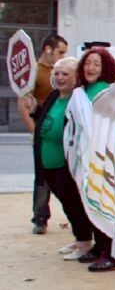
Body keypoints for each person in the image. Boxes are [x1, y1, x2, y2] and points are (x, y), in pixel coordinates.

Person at [19, 57, 96, 260]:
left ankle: (85, 243)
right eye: (57, 73)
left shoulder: (77, 99)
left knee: (74, 204)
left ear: (75, 77)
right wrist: (35, 109)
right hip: (48, 164)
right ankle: (80, 239)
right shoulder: (55, 96)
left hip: (66, 165)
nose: (59, 77)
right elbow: (44, 118)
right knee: (67, 204)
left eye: (65, 74)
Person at [75, 47, 115, 271]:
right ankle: (100, 245)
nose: (90, 68)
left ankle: (110, 251)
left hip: (102, 156)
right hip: (87, 155)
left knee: (103, 199)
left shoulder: (106, 90)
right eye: (87, 63)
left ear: (105, 68)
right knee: (91, 198)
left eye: (96, 64)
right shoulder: (84, 89)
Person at [27, 33, 69, 234]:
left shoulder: (57, 71)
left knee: (61, 178)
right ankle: (40, 217)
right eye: (60, 52)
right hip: (42, 133)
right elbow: (24, 103)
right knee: (42, 179)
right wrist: (35, 133)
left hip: (57, 134)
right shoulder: (33, 72)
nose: (62, 56)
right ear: (48, 49)